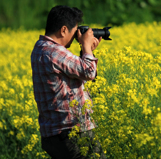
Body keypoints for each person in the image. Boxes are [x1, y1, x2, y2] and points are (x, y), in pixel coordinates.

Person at [31, 5, 105, 159]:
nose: (75, 36)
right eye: (74, 31)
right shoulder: (54, 51)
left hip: (53, 135)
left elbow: (78, 72)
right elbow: (89, 72)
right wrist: (86, 46)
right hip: (72, 133)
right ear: (64, 30)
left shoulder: (40, 48)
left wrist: (86, 52)